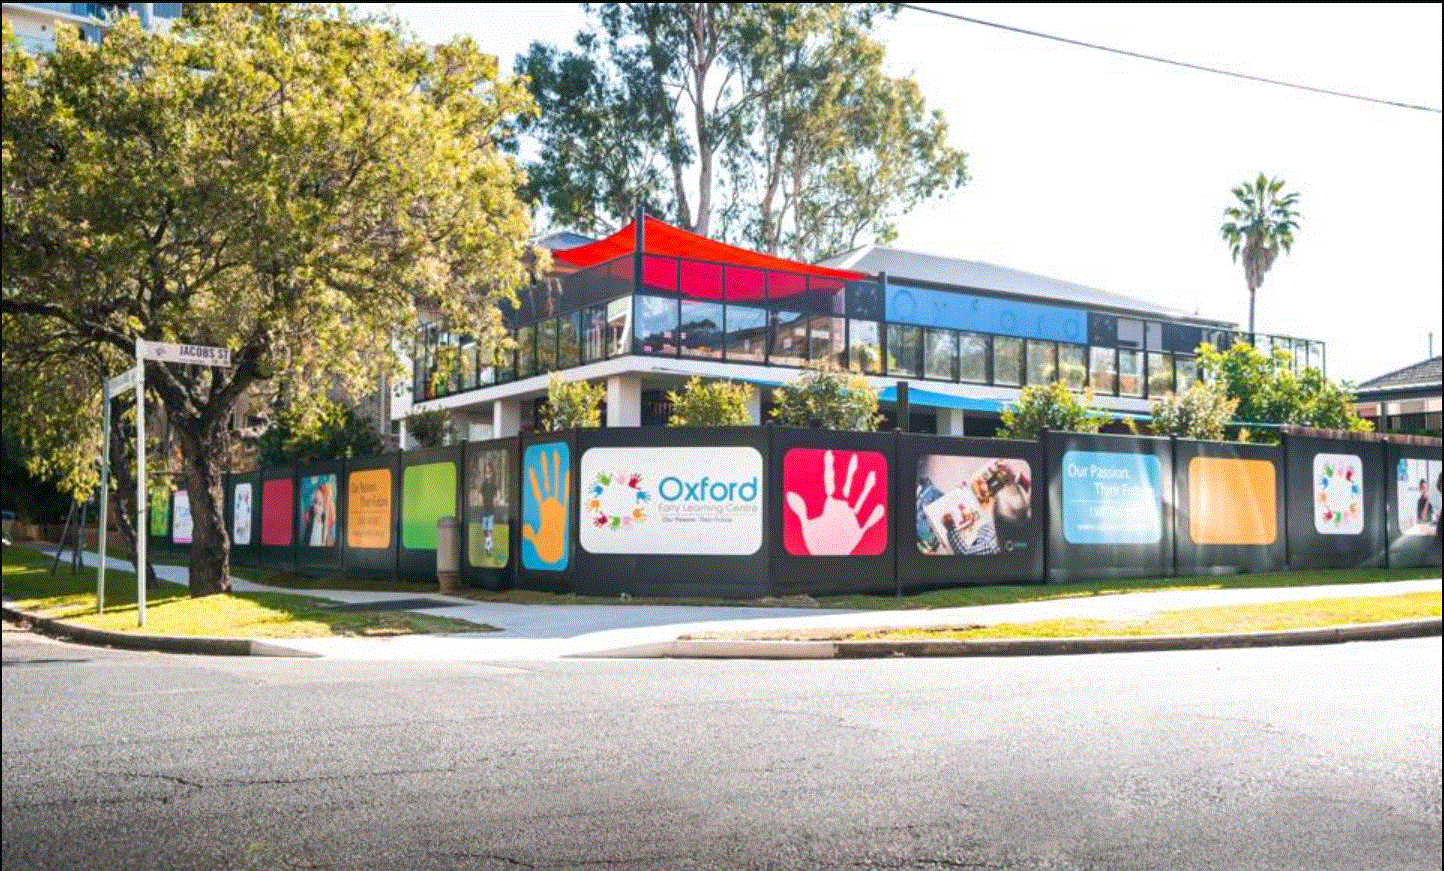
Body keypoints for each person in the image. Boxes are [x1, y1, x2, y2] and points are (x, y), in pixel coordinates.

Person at [480, 460, 498, 555]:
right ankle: (487, 547)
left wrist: (497, 500)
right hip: (484, 511)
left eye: (489, 472)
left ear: (492, 472)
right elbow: (480, 494)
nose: (487, 474)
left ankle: (488, 549)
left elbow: (497, 494)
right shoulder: (483, 484)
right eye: (486, 472)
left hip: (490, 511)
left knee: (489, 531)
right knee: (485, 531)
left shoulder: (493, 484)